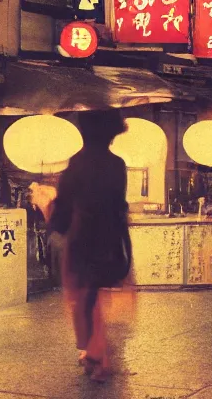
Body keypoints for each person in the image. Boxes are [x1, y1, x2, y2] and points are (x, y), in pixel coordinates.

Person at [50, 110, 132, 382]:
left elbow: (64, 205)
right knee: (94, 295)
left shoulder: (76, 164)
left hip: (81, 238)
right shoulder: (116, 165)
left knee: (84, 296)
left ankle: (92, 350)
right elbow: (119, 206)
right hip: (108, 238)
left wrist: (56, 225)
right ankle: (95, 351)